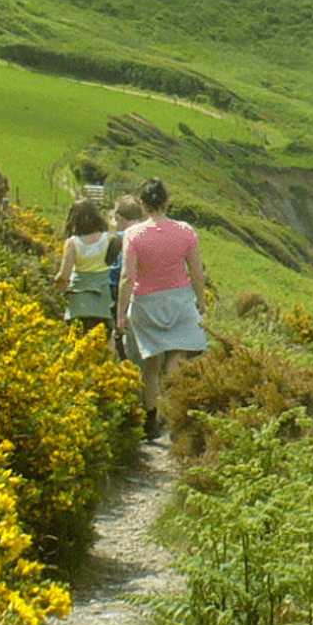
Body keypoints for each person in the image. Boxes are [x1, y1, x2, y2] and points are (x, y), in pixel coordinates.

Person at [116, 179, 207, 440]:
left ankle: (151, 422)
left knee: (151, 366)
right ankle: (178, 418)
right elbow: (197, 272)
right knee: (177, 360)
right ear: (167, 202)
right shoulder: (186, 230)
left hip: (146, 303)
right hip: (179, 301)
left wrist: (121, 314)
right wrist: (200, 301)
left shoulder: (133, 235)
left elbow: (127, 278)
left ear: (143, 205)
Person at [53, 198, 115, 345]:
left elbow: (65, 275)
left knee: (77, 343)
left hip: (79, 303)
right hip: (103, 300)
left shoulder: (72, 243)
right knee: (103, 342)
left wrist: (56, 284)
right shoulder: (109, 239)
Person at [107, 195, 146, 361]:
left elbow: (109, 268)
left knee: (118, 327)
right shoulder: (145, 235)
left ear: (119, 219)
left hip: (117, 288)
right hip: (142, 288)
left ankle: (123, 361)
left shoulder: (117, 238)